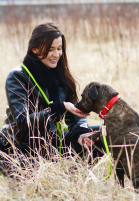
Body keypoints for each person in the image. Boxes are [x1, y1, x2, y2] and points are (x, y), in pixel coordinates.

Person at [0, 20, 104, 159]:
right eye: (50, 49)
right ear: (35, 49)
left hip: (51, 143)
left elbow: (74, 114)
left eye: (59, 48)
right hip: (19, 147)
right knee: (31, 172)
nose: (56, 54)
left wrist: (81, 133)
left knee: (104, 134)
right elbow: (24, 122)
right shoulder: (18, 76)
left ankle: (74, 173)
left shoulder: (60, 75)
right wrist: (58, 108)